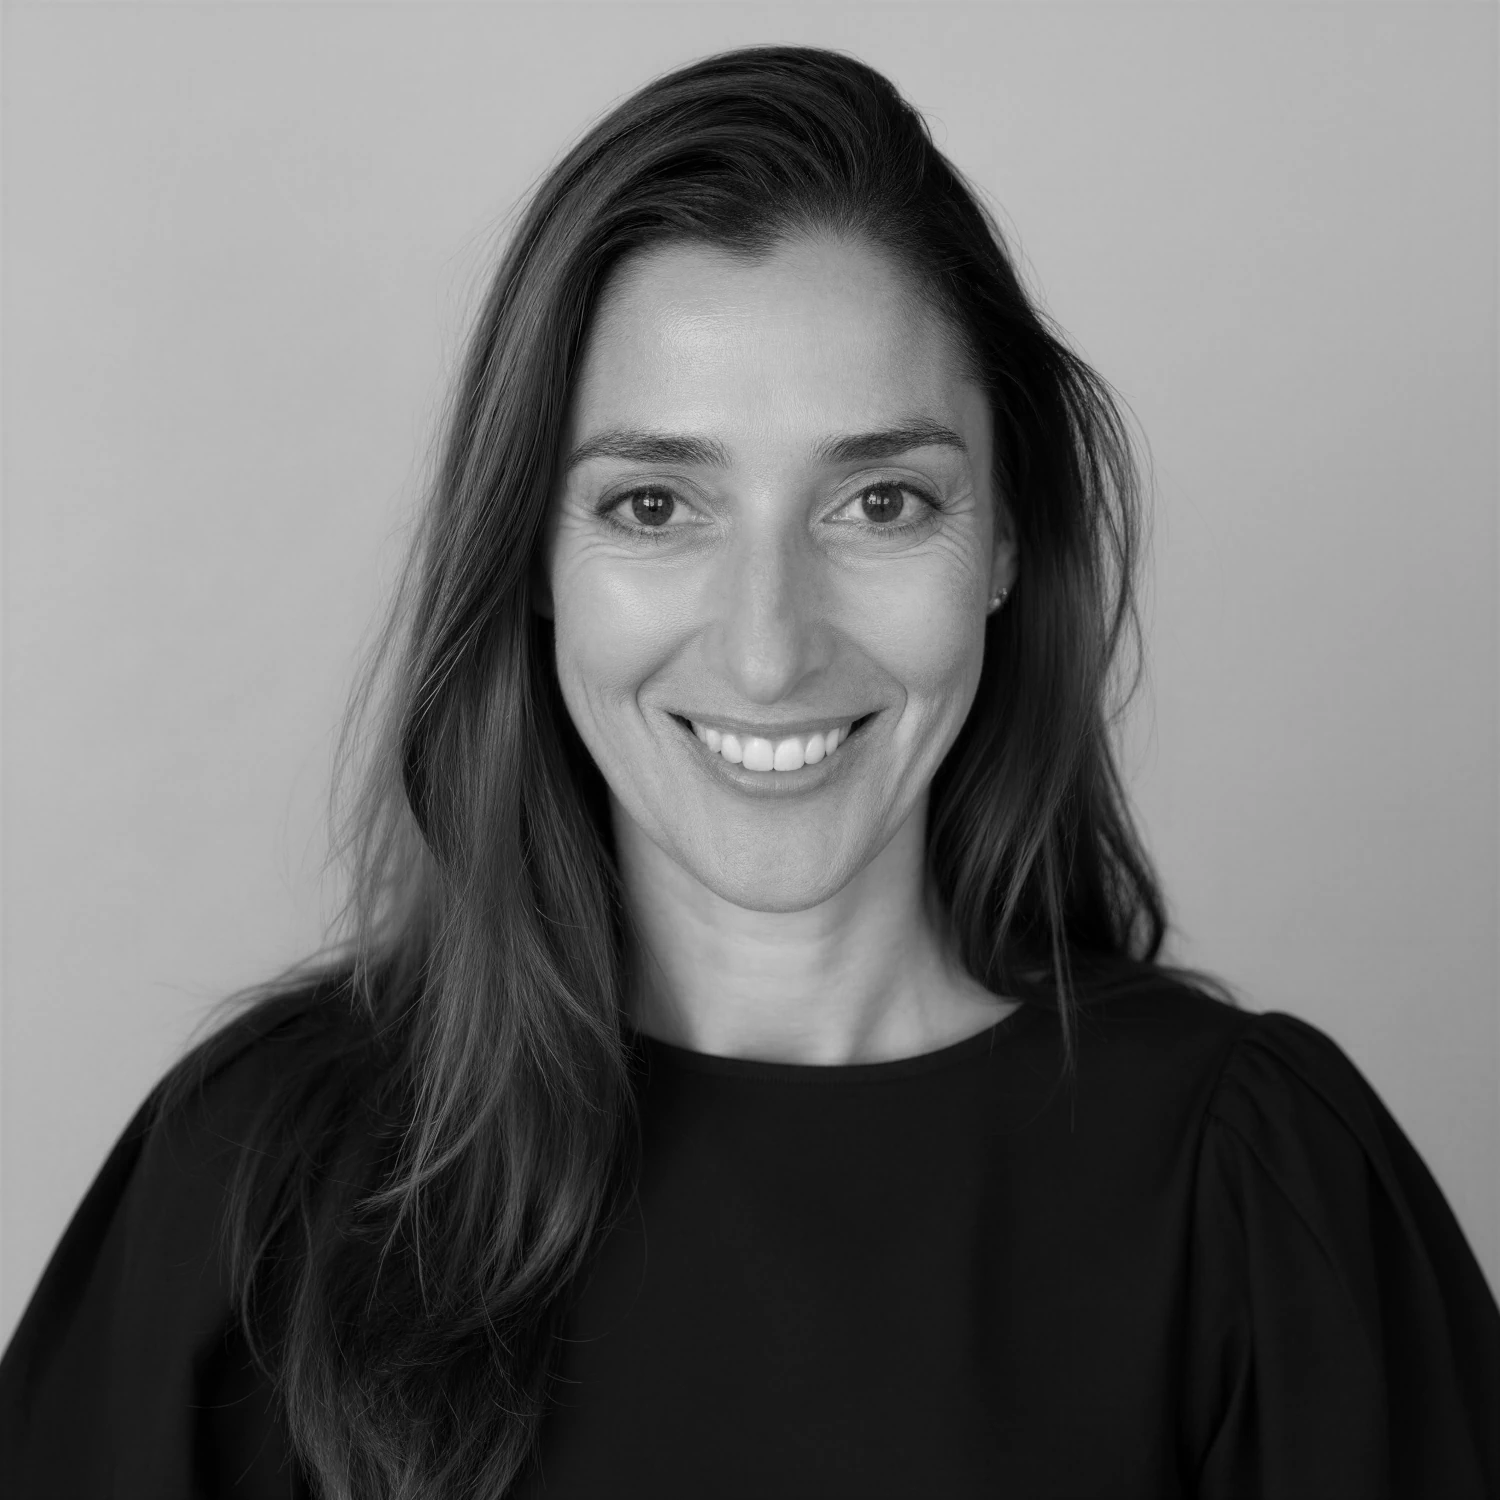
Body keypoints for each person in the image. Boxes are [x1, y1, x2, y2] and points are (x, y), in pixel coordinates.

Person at [2, 42, 1497, 1500]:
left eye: (881, 501)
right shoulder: (254, 1178)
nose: (771, 651)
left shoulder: (1255, 1200)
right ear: (533, 559)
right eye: (655, 505)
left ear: (1005, 540)